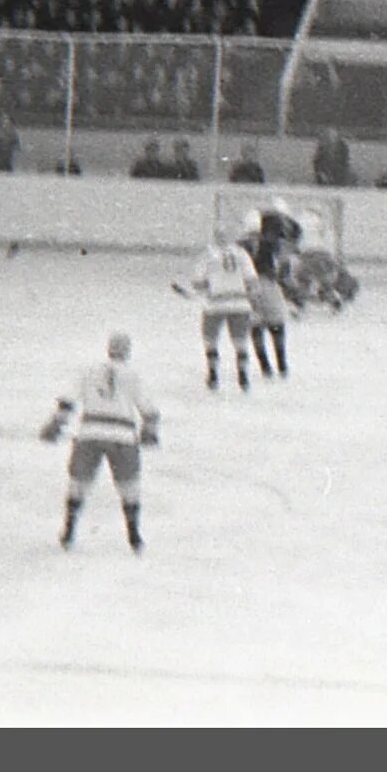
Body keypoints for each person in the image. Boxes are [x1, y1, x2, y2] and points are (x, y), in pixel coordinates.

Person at [40, 331, 159, 552]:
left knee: (79, 483)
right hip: (122, 436)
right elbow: (148, 409)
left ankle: (69, 530)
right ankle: (134, 535)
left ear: (108, 348)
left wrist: (55, 425)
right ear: (127, 351)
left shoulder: (89, 371)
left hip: (89, 433)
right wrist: (150, 431)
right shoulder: (133, 375)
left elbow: (68, 401)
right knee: (128, 486)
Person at [186, 234, 259, 391]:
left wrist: (206, 288)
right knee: (240, 342)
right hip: (240, 303)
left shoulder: (207, 255)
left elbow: (198, 282)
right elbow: (252, 280)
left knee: (210, 339)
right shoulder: (241, 254)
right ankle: (243, 376)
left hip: (215, 304)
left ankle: (213, 374)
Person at [241, 214, 293, 380]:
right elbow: (283, 269)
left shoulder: (239, 246)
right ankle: (282, 364)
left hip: (247, 287)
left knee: (256, 326)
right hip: (268, 285)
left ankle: (265, 366)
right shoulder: (273, 244)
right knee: (276, 325)